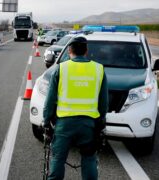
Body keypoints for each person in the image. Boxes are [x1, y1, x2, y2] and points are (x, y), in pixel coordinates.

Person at [43, 36, 108, 180]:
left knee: (58, 159)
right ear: (86, 51)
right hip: (89, 124)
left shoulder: (61, 68)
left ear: (70, 50)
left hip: (64, 124)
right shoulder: (99, 69)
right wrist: (101, 120)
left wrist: (46, 120)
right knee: (89, 159)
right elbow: (103, 102)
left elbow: (50, 99)